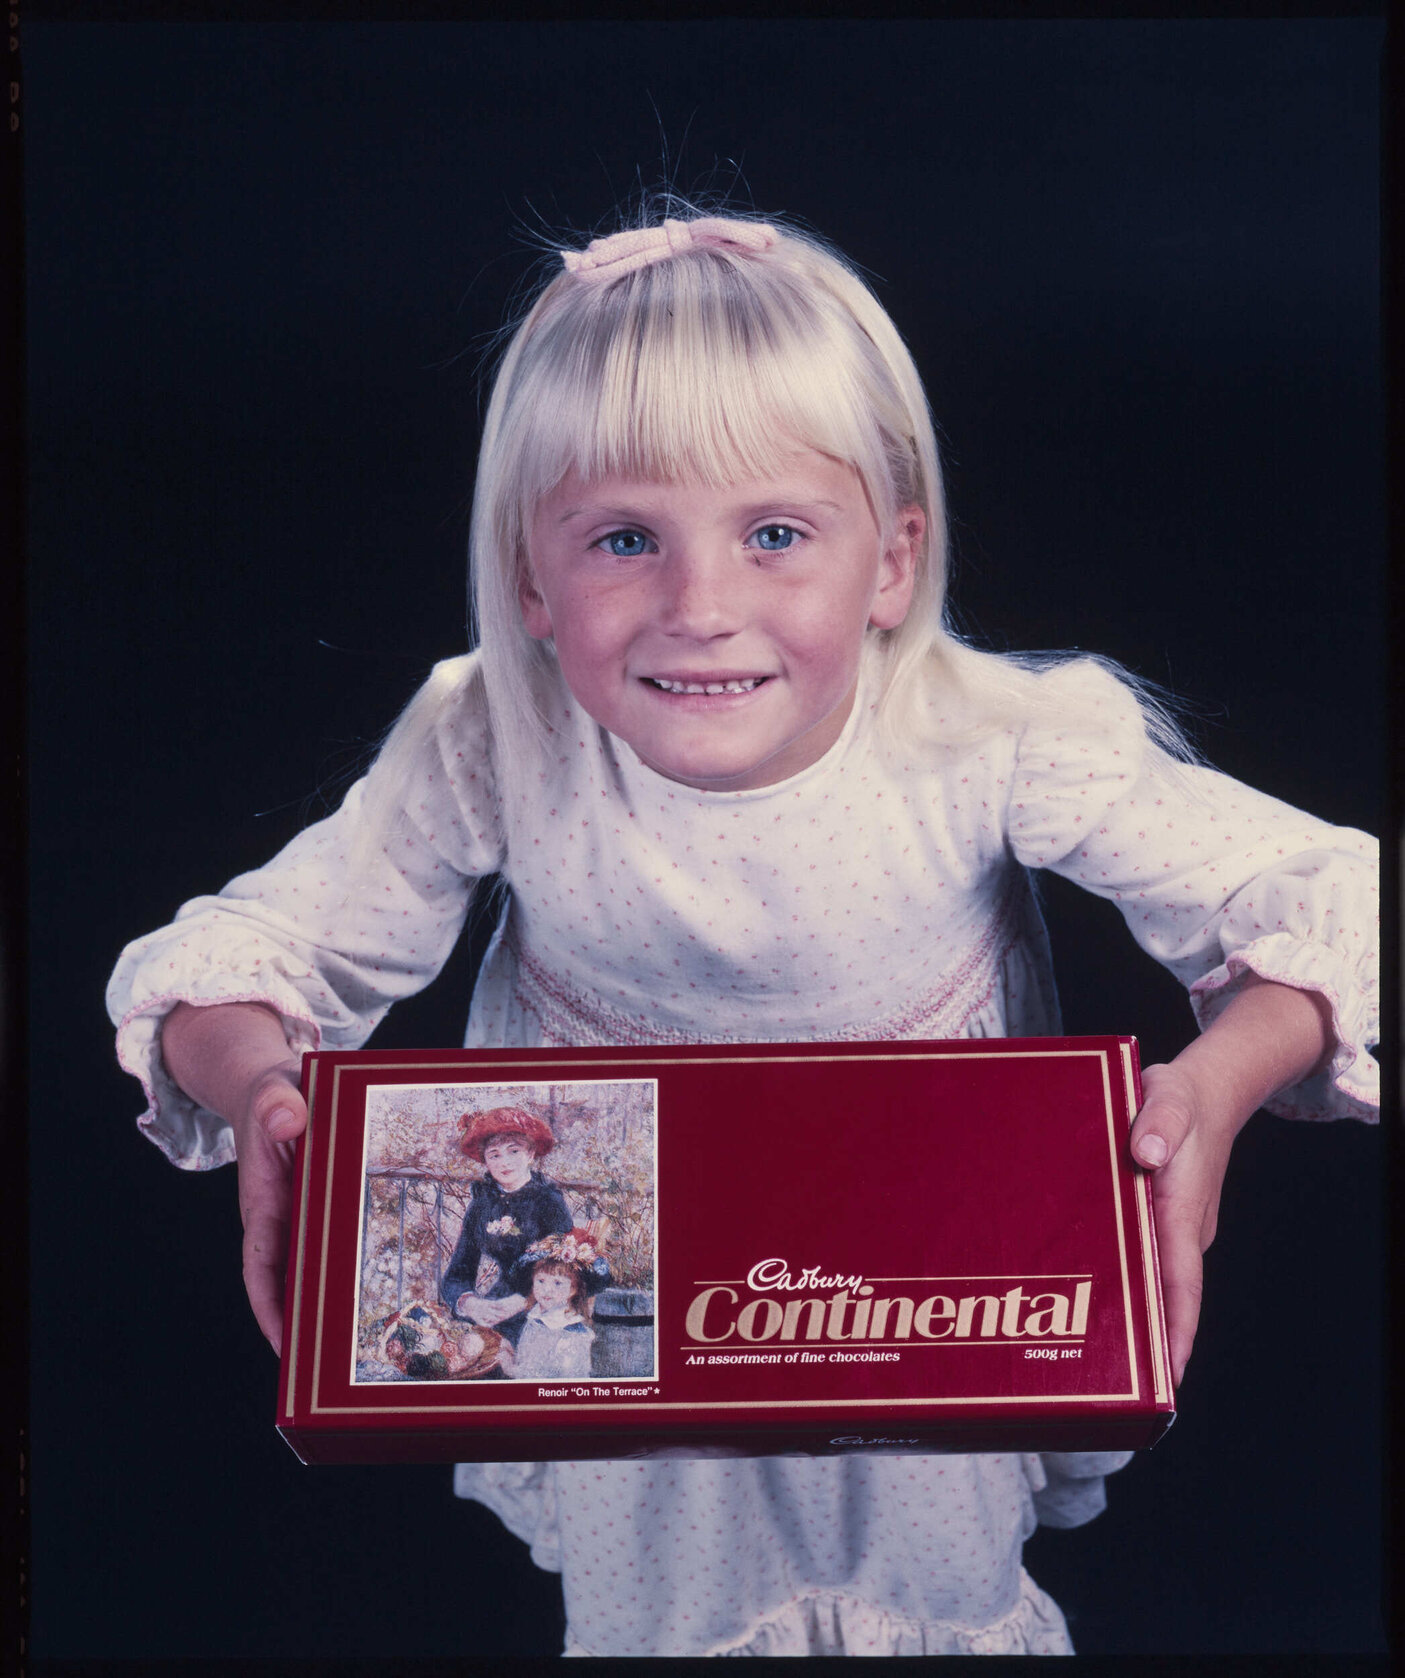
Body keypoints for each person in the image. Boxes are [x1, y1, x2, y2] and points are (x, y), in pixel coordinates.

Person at [106, 202, 1377, 1657]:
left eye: (774, 533)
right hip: (622, 1272)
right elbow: (246, 959)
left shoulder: (996, 738)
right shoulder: (492, 742)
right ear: (529, 576)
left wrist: (1211, 1089)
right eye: (624, 538)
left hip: (915, 1265)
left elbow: (1324, 903)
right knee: (674, 1610)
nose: (701, 607)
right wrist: (261, 1088)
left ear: (891, 561)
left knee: (927, 1587)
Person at [440, 1106, 573, 1347]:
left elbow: (569, 1273)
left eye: (514, 1151)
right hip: (497, 1306)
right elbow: (457, 1273)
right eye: (494, 1155)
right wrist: (470, 1303)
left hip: (544, 1311)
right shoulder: (482, 1204)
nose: (504, 1162)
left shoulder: (548, 1201)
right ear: (486, 1160)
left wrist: (525, 1300)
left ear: (531, 1153)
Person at [498, 1230, 612, 1381]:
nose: (547, 1290)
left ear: (573, 1289)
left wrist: (510, 1369)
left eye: (557, 1283)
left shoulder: (571, 1335)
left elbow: (546, 1378)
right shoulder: (538, 1317)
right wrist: (512, 1354)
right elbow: (530, 1361)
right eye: (541, 1281)